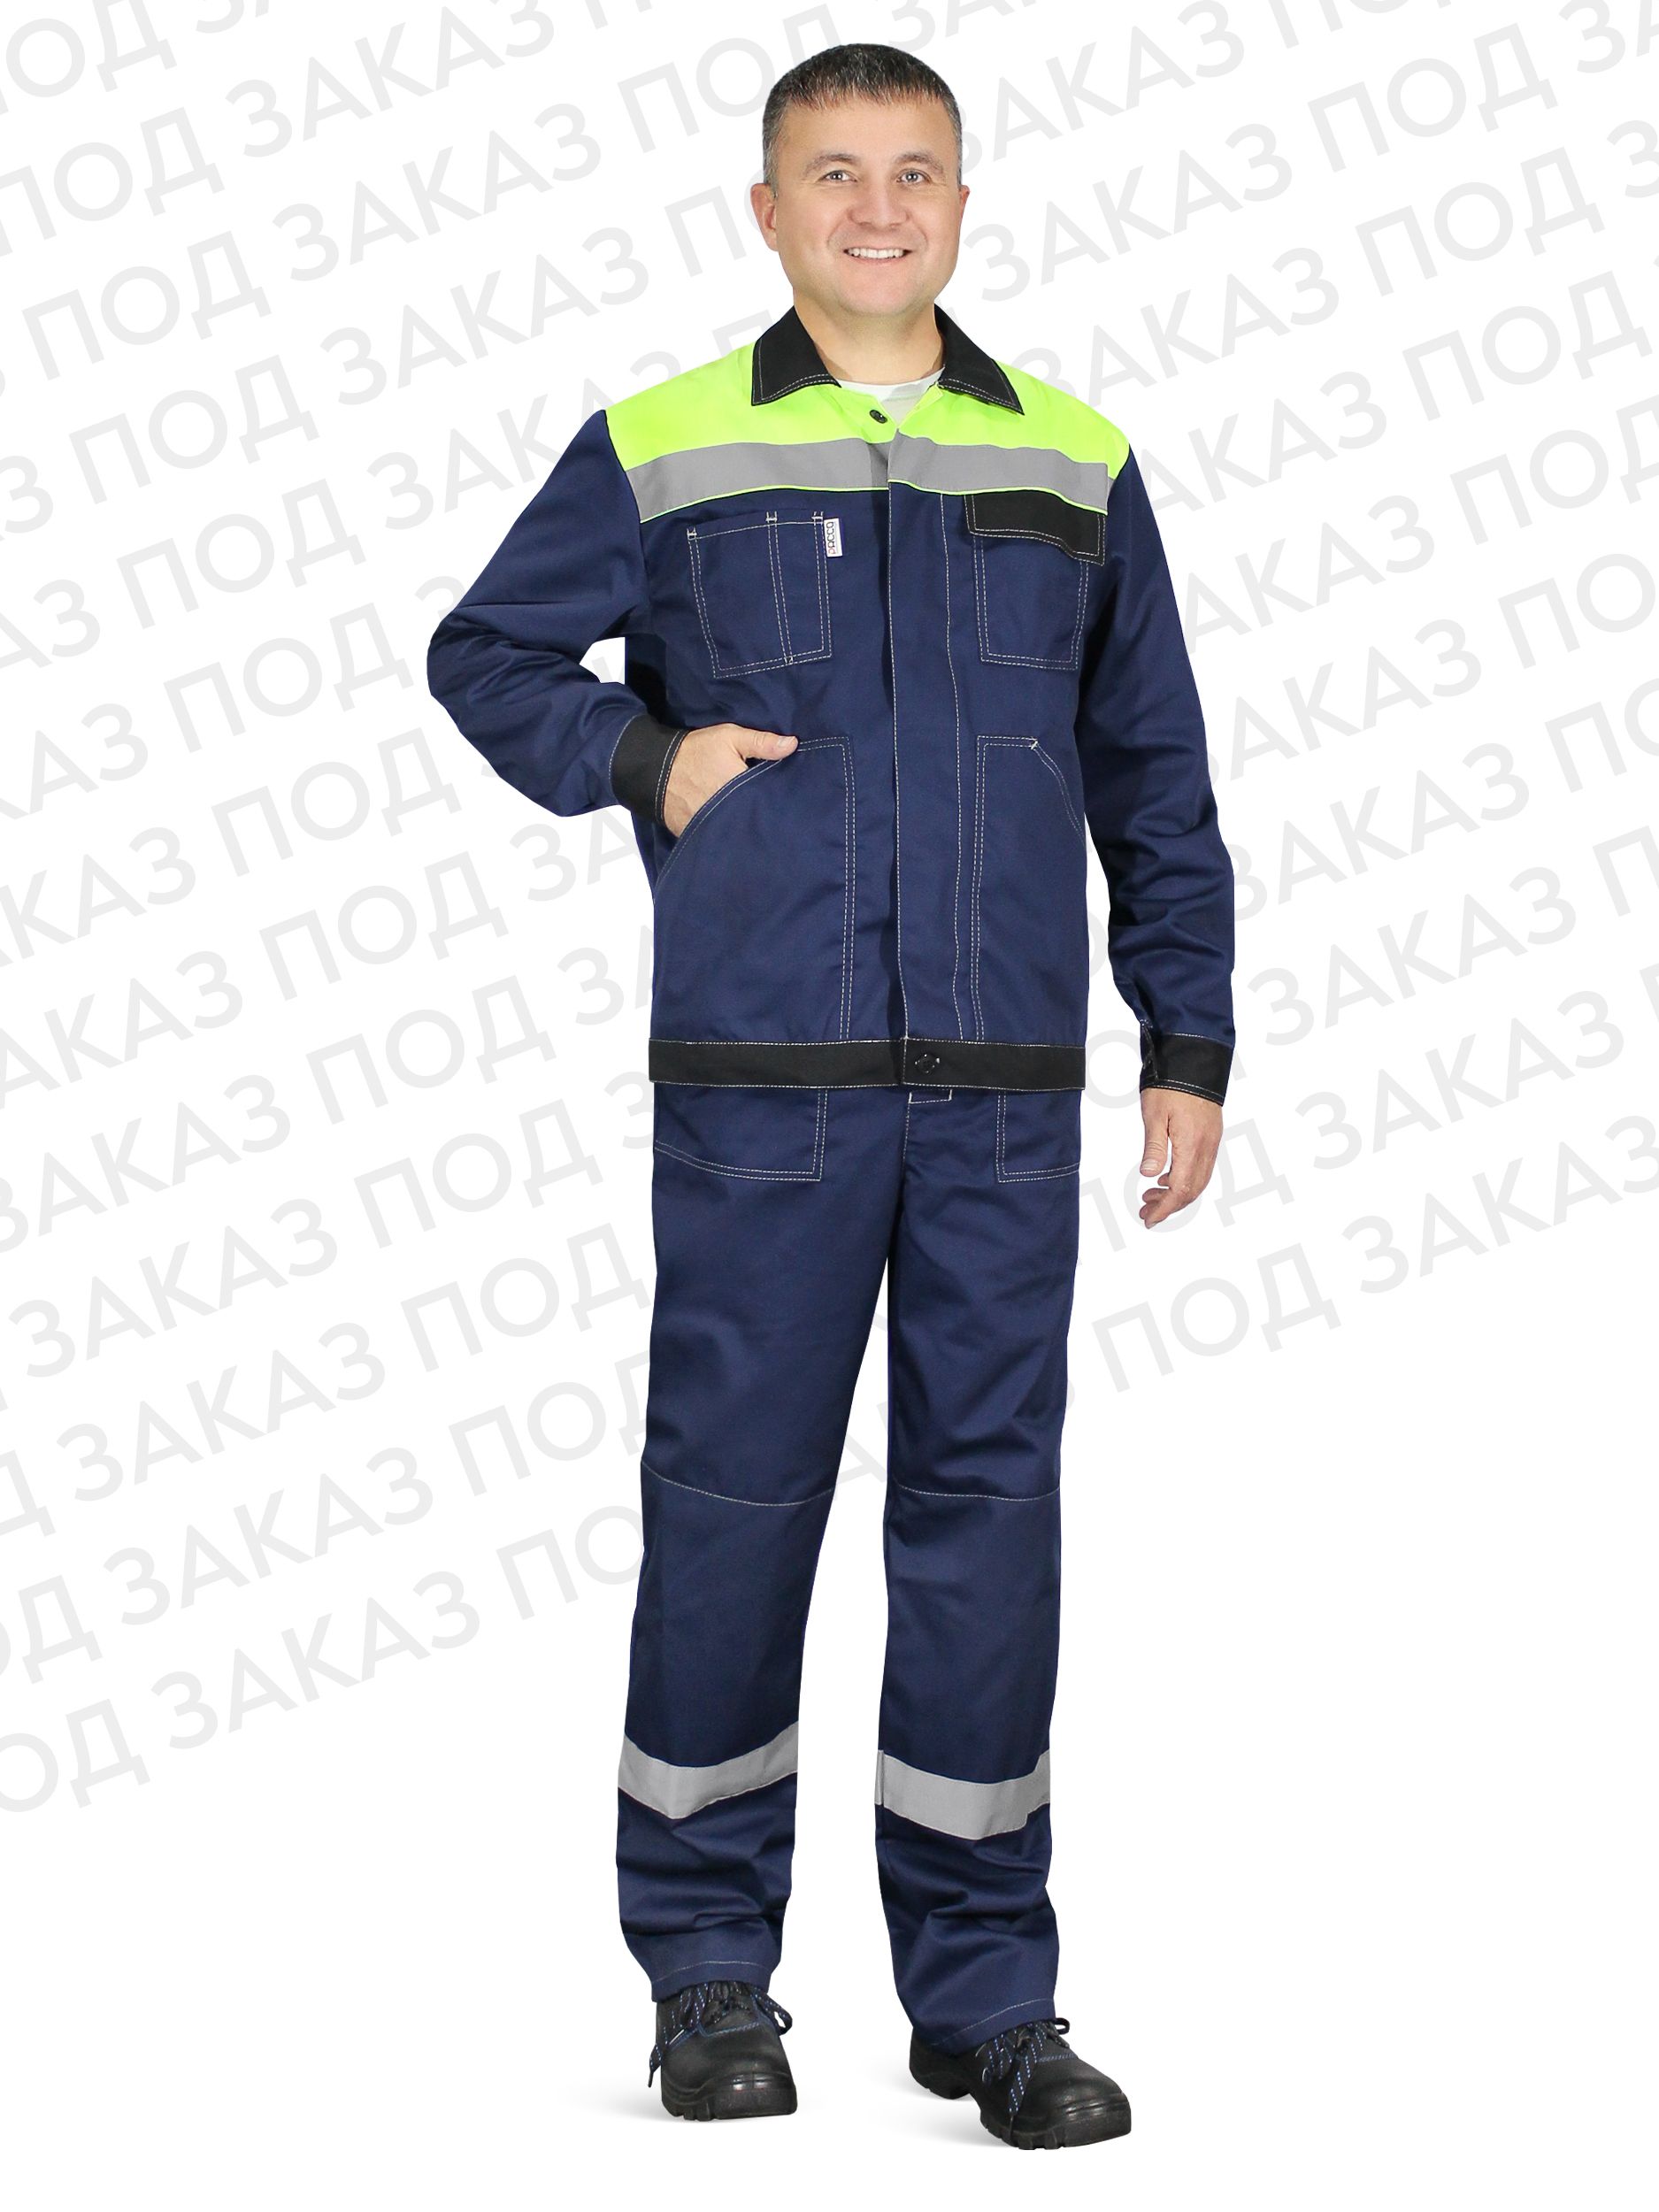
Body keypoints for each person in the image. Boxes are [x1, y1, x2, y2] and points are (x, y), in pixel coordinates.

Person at [426, 41, 1234, 2153]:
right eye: (835, 174)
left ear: (961, 202)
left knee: (984, 1524)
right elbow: (485, 652)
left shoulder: (1072, 459)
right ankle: (707, 1969)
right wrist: (647, 757)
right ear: (766, 209)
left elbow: (1151, 769)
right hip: (759, 1085)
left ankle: (987, 1994)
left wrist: (1186, 1039)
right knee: (730, 1507)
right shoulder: (663, 440)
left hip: (998, 1096)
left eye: (915, 173)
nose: (877, 209)